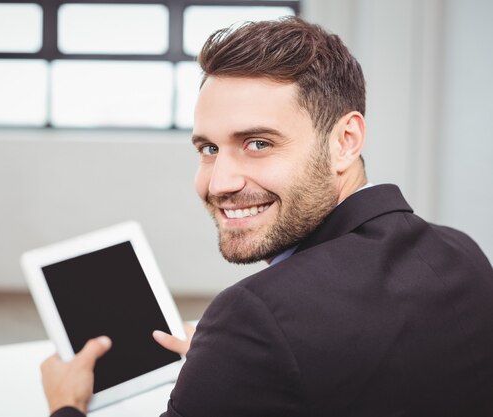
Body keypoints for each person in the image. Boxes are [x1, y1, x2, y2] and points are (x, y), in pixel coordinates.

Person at [41, 16, 493, 417]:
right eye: (209, 149)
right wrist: (240, 359)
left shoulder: (254, 315)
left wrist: (66, 404)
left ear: (345, 140)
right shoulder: (460, 251)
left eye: (258, 143)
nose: (219, 183)